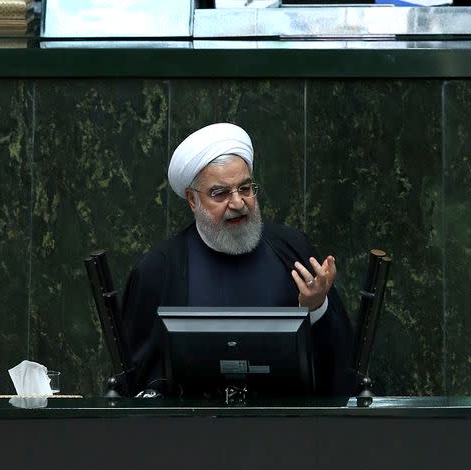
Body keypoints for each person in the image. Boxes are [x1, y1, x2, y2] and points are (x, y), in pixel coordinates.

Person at [122, 123, 354, 396]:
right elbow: (136, 378)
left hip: (280, 431)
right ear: (192, 200)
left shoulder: (291, 249)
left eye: (245, 188)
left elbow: (341, 365)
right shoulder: (159, 268)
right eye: (220, 193)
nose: (238, 203)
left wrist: (315, 308)